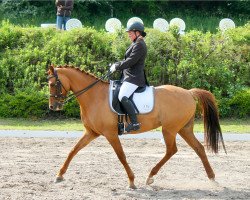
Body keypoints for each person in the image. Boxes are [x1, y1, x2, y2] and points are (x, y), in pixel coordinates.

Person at [110, 21, 147, 133]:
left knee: (122, 96)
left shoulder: (140, 44)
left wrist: (117, 66)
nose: (128, 34)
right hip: (128, 76)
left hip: (134, 78)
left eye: (130, 32)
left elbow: (131, 61)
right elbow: (127, 59)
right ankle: (120, 122)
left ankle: (135, 122)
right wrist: (116, 64)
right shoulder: (135, 43)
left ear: (137, 32)